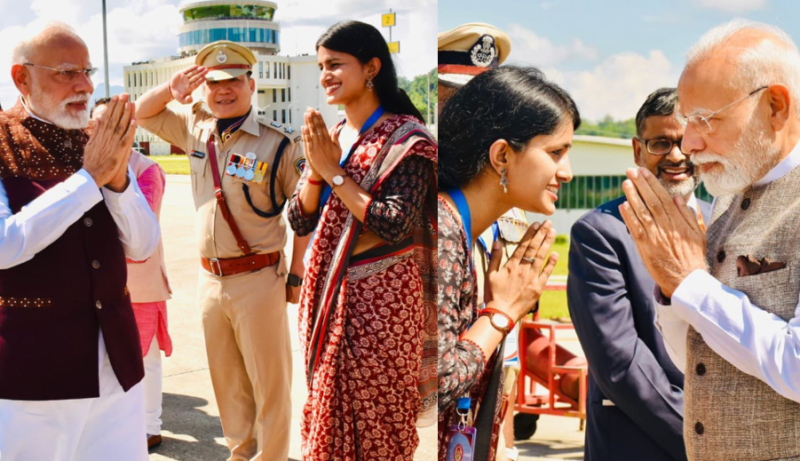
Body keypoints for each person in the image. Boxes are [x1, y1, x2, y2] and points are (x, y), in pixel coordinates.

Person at [620, 20, 800, 461]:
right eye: (687, 121)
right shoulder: (726, 198)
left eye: (705, 120)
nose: (689, 144)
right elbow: (701, 362)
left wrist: (691, 283)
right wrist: (671, 287)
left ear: (775, 106)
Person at [134, 40, 309, 461]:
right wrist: (170, 89)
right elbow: (141, 113)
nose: (223, 90)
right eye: (213, 83)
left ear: (251, 84)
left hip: (259, 278)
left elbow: (307, 212)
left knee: (268, 382)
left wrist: (297, 273)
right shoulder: (195, 127)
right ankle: (240, 452)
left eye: (233, 81)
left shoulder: (279, 143)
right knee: (227, 380)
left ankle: (271, 457)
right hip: (210, 279)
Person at [0, 22, 160, 460]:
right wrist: (90, 180)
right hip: (31, 379)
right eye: (66, 72)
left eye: (87, 72)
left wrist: (118, 181)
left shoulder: (98, 141)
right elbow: (4, 246)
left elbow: (143, 246)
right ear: (21, 78)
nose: (85, 86)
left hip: (116, 372)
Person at [286, 21, 437, 460]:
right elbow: (298, 218)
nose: (325, 76)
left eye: (335, 64)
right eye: (321, 67)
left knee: (378, 430)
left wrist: (334, 172)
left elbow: (394, 223)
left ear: (371, 67)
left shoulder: (407, 139)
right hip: (329, 300)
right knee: (329, 423)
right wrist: (318, 171)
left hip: (382, 308)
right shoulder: (333, 136)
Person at [438, 66, 579, 461]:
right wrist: (502, 312)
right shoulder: (442, 231)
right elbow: (434, 383)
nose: (567, 172)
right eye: (555, 152)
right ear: (502, 155)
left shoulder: (459, 225)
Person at [568, 87, 711, 461]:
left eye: (685, 142)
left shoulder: (725, 223)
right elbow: (620, 363)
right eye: (660, 143)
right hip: (641, 443)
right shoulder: (601, 233)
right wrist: (702, 440)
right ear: (637, 150)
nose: (676, 156)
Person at [439, 22, 528, 461]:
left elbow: (511, 346)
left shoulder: (511, 204)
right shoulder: (428, 202)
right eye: (459, 106)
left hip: (489, 398)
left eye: (487, 111)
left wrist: (504, 441)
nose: (475, 125)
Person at [91, 98, 173, 450]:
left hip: (139, 283)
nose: (105, 131)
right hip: (95, 284)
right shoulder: (82, 166)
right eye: (98, 124)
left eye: (117, 124)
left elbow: (140, 226)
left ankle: (150, 426)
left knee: (145, 357)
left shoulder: (146, 169)